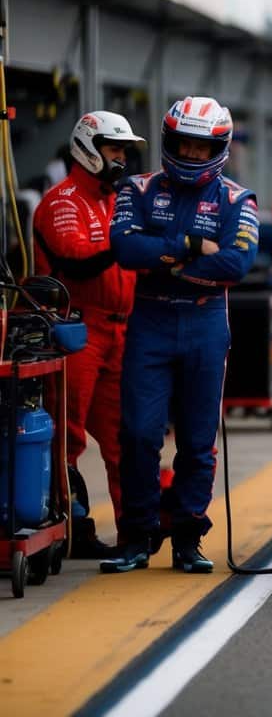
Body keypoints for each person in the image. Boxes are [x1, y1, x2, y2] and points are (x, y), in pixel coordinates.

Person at [101, 96, 260, 574]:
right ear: (169, 142)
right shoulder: (137, 188)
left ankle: (189, 537)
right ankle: (137, 535)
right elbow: (126, 249)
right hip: (149, 321)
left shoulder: (238, 199)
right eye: (183, 144)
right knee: (138, 434)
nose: (190, 154)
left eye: (200, 146)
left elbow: (236, 263)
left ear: (220, 147)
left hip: (205, 324)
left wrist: (165, 258)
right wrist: (189, 248)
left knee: (197, 439)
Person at [32, 112, 142, 556]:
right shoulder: (62, 202)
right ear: (88, 148)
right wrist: (130, 243)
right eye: (113, 149)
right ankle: (69, 529)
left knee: (125, 438)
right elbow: (76, 260)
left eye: (123, 151)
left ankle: (135, 532)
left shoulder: (117, 199)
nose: (120, 158)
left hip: (120, 333)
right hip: (75, 331)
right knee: (67, 437)